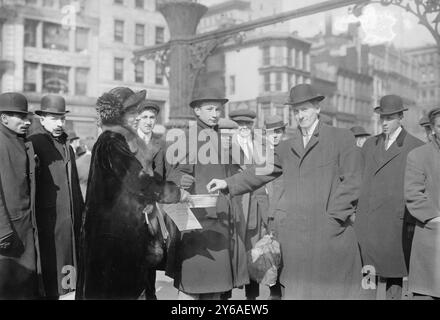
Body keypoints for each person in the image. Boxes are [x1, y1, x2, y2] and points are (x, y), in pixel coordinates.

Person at [208, 84, 363, 299]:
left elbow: (353, 181)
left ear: (317, 108)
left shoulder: (341, 138)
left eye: (305, 109)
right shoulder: (285, 147)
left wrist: (334, 217)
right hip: (296, 240)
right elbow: (258, 172)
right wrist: (227, 183)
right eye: (296, 111)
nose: (300, 115)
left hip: (330, 236)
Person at [76, 87, 177, 299]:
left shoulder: (112, 141)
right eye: (132, 112)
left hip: (113, 236)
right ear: (118, 116)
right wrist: (176, 194)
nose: (137, 117)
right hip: (113, 240)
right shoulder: (112, 142)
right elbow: (139, 180)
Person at [165, 90, 249, 300]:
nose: (215, 113)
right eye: (210, 109)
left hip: (220, 223)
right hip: (196, 226)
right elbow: (173, 177)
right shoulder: (187, 139)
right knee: (192, 288)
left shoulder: (221, 139)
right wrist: (181, 181)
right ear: (197, 111)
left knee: (215, 290)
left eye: (218, 109)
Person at [355, 95, 424, 300]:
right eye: (382, 118)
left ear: (400, 117)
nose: (384, 122)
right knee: (367, 279)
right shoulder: (369, 145)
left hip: (395, 225)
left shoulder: (415, 147)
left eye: (390, 118)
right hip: (367, 224)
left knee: (394, 277)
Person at [28, 95, 84, 299]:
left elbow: (75, 186)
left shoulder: (67, 146)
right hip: (48, 224)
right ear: (42, 119)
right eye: (54, 118)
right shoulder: (34, 143)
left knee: (69, 277)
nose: (59, 123)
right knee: (51, 277)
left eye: (62, 119)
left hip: (70, 223)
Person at [0, 93, 42, 299]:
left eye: (26, 117)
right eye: (19, 116)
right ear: (3, 118)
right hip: (9, 232)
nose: (26, 122)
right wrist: (3, 232)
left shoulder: (20, 141)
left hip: (25, 227)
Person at [229, 109, 270, 300]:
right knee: (231, 256)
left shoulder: (261, 147)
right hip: (234, 209)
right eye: (240, 125)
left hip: (254, 209)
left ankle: (251, 299)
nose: (244, 128)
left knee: (252, 255)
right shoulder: (226, 147)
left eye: (248, 125)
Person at [405, 107, 440, 299]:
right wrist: (436, 217)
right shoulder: (418, 156)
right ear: (433, 129)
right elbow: (413, 195)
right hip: (432, 238)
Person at [135, 100, 166, 300]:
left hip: (151, 211)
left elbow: (162, 177)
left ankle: (150, 295)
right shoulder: (125, 143)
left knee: (152, 255)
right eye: (145, 117)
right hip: (129, 210)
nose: (148, 121)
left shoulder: (160, 144)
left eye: (152, 117)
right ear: (137, 118)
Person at [262, 115, 287, 300]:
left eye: (278, 132)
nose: (275, 136)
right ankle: (274, 294)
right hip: (268, 216)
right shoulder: (261, 156)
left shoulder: (290, 153)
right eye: (271, 133)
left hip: (287, 214)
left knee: (287, 259)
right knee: (272, 260)